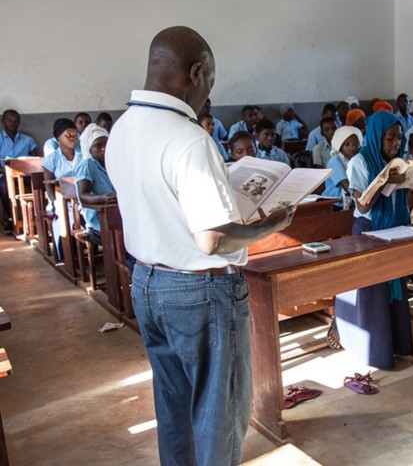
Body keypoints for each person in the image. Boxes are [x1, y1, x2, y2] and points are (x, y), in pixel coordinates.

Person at [106, 26, 296, 466]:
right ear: (196, 71)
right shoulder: (189, 138)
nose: (210, 91)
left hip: (147, 283)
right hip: (200, 291)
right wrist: (267, 226)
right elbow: (212, 238)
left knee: (173, 406)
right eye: (210, 80)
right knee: (219, 413)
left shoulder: (124, 128)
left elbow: (157, 205)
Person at [337, 111, 413, 369]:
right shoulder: (360, 162)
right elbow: (363, 206)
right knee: (374, 293)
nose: (396, 143)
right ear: (376, 136)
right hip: (369, 231)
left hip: (394, 228)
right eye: (390, 138)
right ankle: (376, 352)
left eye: (398, 138)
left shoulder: (398, 161)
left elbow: (400, 198)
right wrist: (386, 180)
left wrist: (410, 179)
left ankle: (400, 344)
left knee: (395, 288)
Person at [42, 118, 81, 260]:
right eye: (68, 135)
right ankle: (67, 256)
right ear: (58, 137)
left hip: (81, 198)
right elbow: (48, 184)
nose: (73, 138)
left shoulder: (82, 155)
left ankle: (86, 251)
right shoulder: (52, 159)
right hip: (62, 201)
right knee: (66, 220)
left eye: (75, 135)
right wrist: (55, 203)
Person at [74, 124, 116, 246]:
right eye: (98, 146)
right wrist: (102, 198)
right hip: (98, 224)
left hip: (116, 215)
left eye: (106, 145)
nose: (104, 149)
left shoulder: (111, 162)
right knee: (123, 241)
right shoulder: (87, 165)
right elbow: (82, 196)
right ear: (89, 148)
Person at [0, 109, 38, 225]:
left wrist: (31, 171)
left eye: (16, 121)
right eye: (9, 120)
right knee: (3, 186)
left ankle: (38, 216)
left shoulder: (28, 140)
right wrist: (6, 172)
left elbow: (36, 159)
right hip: (5, 174)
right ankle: (12, 219)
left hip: (25, 174)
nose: (13, 123)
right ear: (3, 121)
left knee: (39, 183)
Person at [324, 126, 363, 210]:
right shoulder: (335, 161)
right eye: (347, 144)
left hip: (353, 202)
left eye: (355, 144)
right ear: (339, 146)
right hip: (334, 204)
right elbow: (347, 186)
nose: (352, 148)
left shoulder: (358, 159)